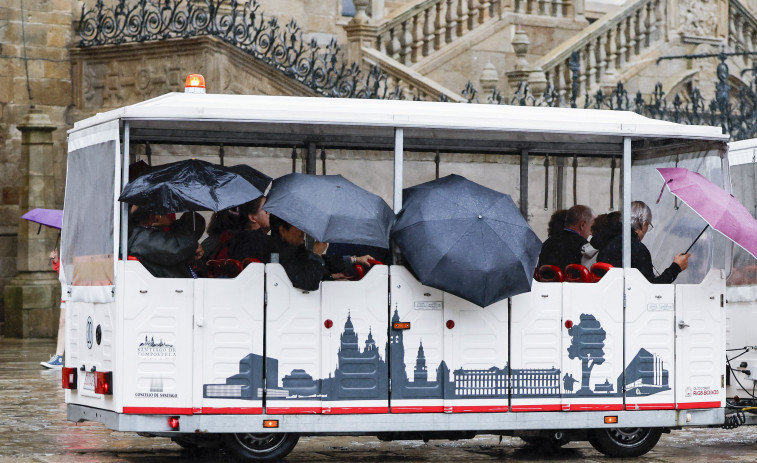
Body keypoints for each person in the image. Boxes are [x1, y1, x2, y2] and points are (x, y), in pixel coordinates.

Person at [269, 214, 374, 291]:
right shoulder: (278, 255)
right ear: (282, 230)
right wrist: (316, 253)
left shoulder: (295, 250)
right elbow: (308, 282)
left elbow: (323, 263)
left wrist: (354, 260)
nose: (302, 231)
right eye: (297, 227)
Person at [597, 201, 690, 284]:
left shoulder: (606, 241)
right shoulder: (635, 248)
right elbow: (651, 288)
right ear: (644, 223)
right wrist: (676, 267)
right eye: (648, 226)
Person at [128, 207, 201, 278]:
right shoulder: (142, 237)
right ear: (153, 216)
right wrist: (174, 223)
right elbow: (176, 249)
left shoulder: (139, 235)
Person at [538, 205, 595, 270]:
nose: (591, 233)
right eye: (591, 226)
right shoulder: (584, 247)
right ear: (582, 225)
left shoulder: (546, 244)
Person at [41, 248, 65, 369]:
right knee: (62, 322)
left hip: (79, 288)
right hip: (67, 289)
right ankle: (59, 357)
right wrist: (56, 261)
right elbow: (64, 271)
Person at [228, 196, 272, 262]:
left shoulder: (238, 238)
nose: (270, 212)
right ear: (252, 217)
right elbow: (274, 265)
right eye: (266, 209)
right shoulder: (254, 241)